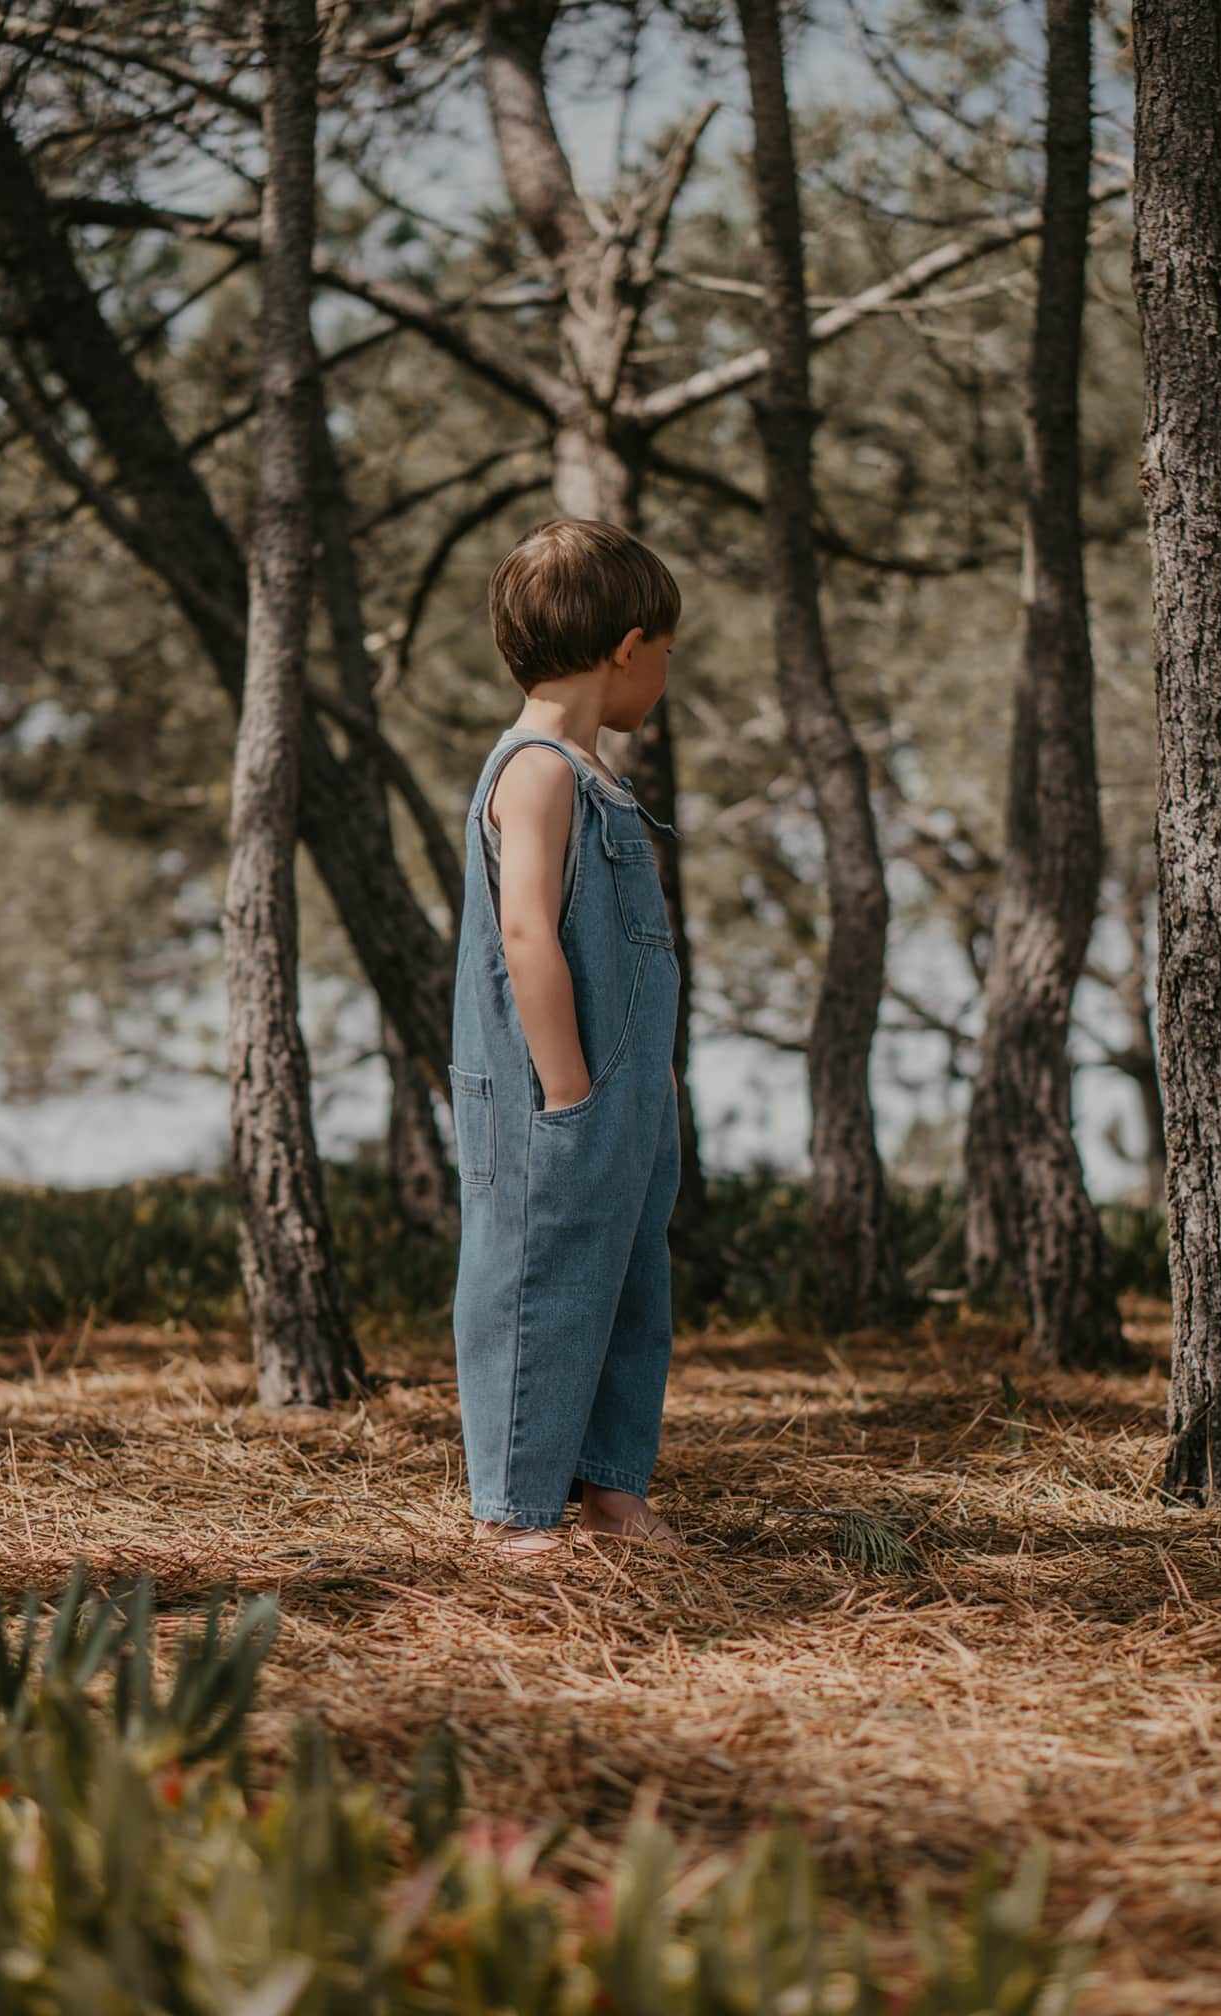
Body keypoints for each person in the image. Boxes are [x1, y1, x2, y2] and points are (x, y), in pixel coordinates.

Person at [449, 518, 685, 1559]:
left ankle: (612, 1492)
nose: (664, 678)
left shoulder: (596, 778)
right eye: (668, 655)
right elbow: (525, 931)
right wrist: (568, 1085)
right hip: (558, 1087)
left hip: (627, 1092)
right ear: (628, 646)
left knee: (629, 1282)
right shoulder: (537, 770)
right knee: (539, 1283)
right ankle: (512, 1510)